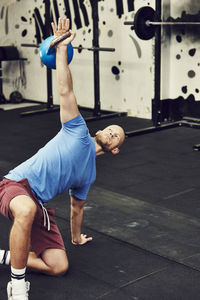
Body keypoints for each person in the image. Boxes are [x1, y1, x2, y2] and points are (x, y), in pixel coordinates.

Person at [0, 18, 125, 300]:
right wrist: (61, 50)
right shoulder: (77, 129)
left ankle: (7, 256)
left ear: (114, 149)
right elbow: (66, 90)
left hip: (37, 204)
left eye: (116, 135)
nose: (109, 131)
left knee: (58, 266)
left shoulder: (88, 174)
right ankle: (17, 286)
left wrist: (76, 237)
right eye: (109, 128)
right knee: (27, 209)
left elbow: (76, 208)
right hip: (16, 185)